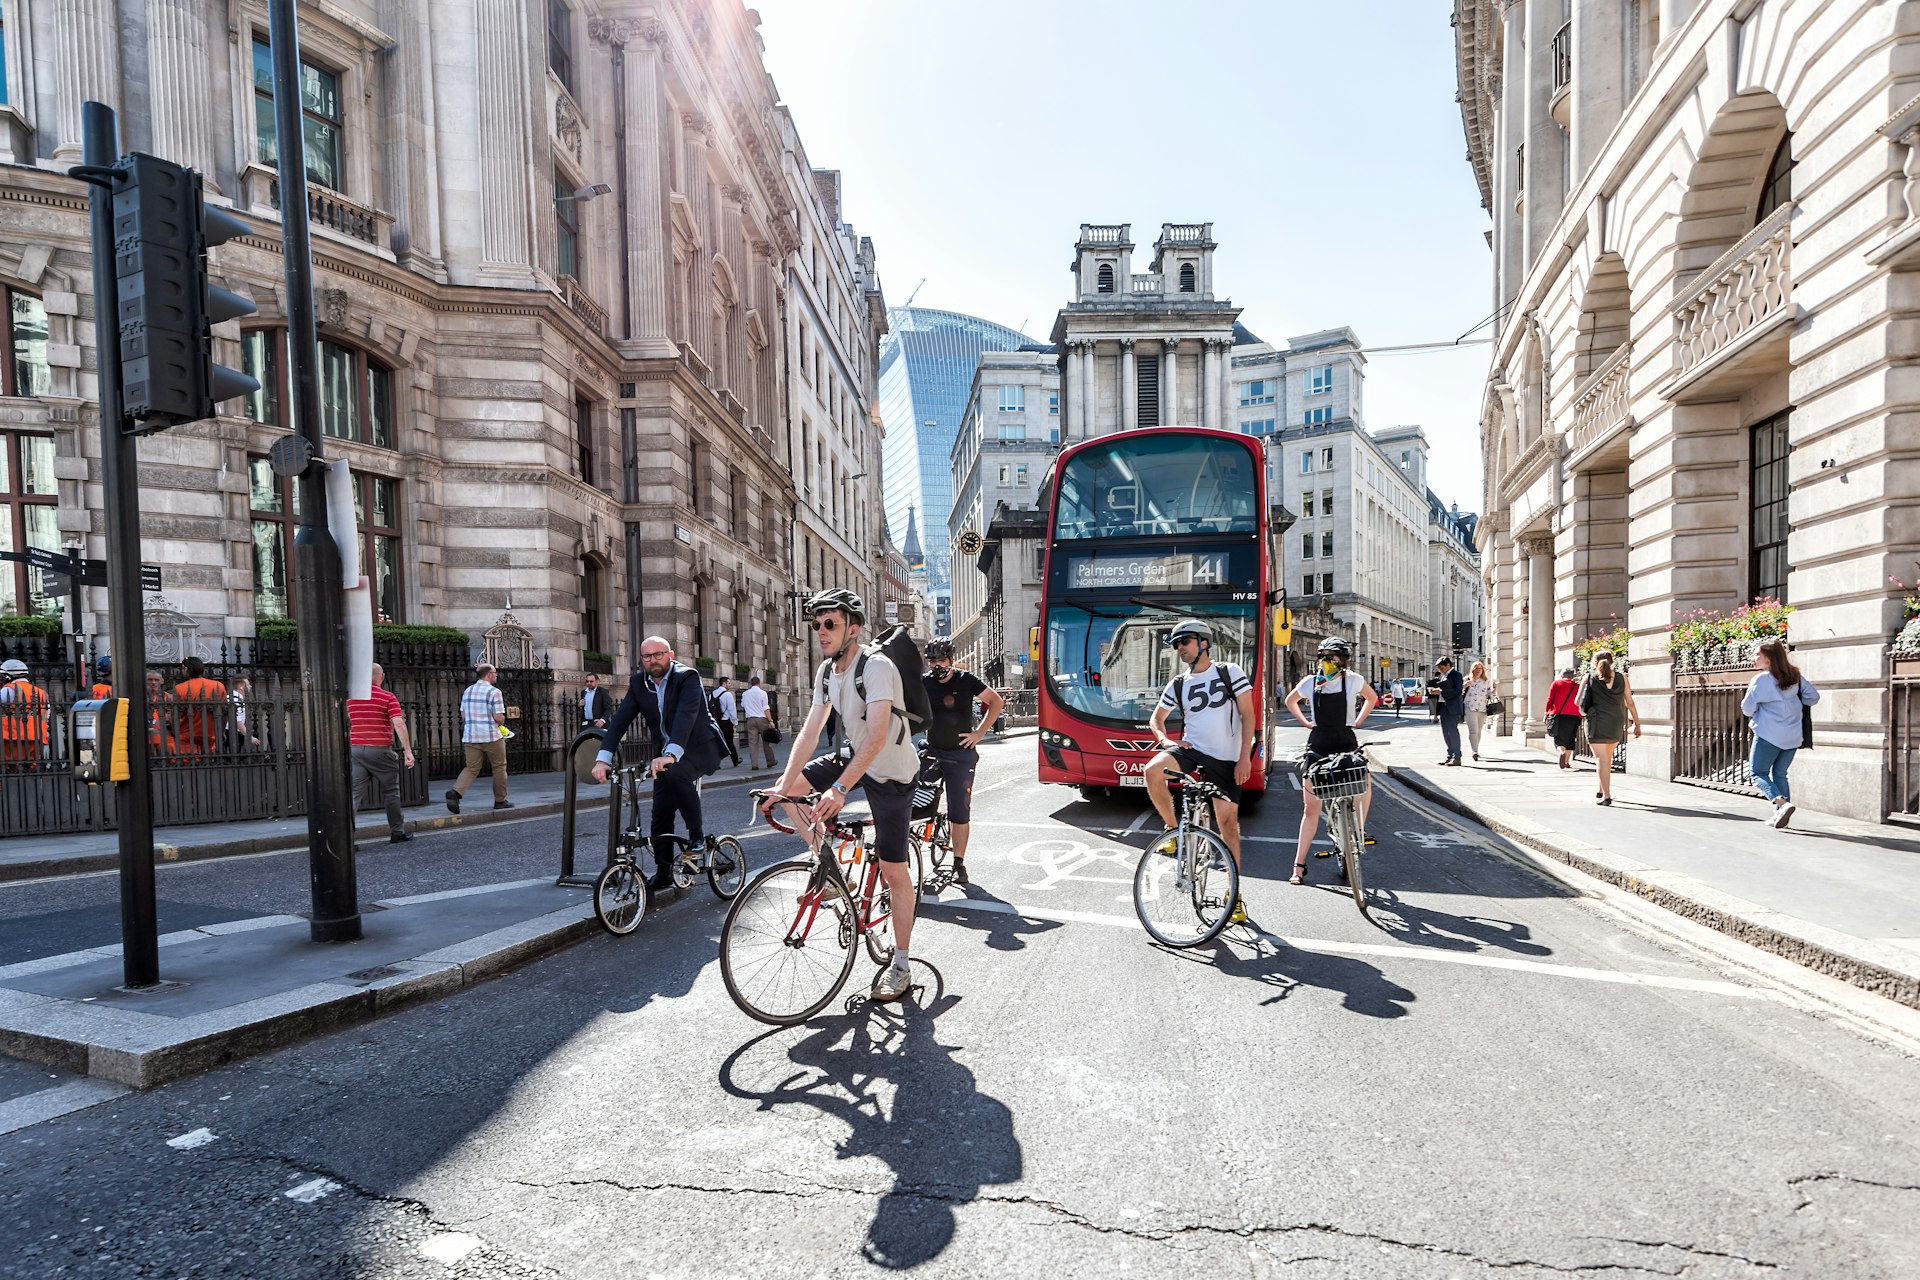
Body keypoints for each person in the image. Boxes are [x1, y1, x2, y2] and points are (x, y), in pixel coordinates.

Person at [767, 589, 921, 1003]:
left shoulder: (877, 666)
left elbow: (876, 737)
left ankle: (901, 964)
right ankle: (833, 872)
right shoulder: (825, 672)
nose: (821, 631)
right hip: (857, 758)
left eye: (829, 624)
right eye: (816, 625)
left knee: (893, 871)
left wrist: (838, 789)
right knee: (792, 793)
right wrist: (784, 782)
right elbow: (811, 731)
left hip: (890, 772)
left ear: (853, 629)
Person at [592, 636, 731, 892]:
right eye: (647, 656)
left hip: (697, 747)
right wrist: (603, 758)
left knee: (677, 773)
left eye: (658, 654)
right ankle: (664, 871)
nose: (653, 660)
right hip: (663, 757)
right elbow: (620, 720)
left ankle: (696, 837)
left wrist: (671, 753)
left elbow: (686, 717)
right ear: (641, 660)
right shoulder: (638, 683)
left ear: (670, 654)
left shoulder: (687, 677)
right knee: (660, 813)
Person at [1143, 619, 1255, 922]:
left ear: (1203, 642)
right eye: (1176, 644)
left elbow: (1248, 715)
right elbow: (1157, 719)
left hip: (1226, 759)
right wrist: (1165, 739)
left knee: (1227, 824)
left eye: (1185, 642)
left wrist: (1245, 758)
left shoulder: (1229, 673)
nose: (1179, 648)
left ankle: (1234, 895)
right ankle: (1172, 829)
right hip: (1192, 751)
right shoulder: (1178, 683)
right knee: (1152, 771)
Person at [1283, 636, 1381, 886]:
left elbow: (1372, 698)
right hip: (1319, 743)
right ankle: (1299, 865)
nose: (1326, 661)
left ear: (1343, 660)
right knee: (1310, 807)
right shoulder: (1310, 682)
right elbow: (1289, 701)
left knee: (1365, 783)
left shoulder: (1353, 680)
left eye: (1332, 657)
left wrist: (1358, 721)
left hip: (1345, 740)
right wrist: (1305, 723)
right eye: (1323, 656)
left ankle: (1357, 831)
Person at [920, 638, 1005, 886]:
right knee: (914, 801)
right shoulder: (925, 682)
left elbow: (997, 701)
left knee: (959, 811)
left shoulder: (966, 680)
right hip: (933, 751)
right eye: (932, 662)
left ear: (951, 660)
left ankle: (958, 862)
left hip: (960, 756)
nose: (937, 666)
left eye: (941, 661)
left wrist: (979, 733)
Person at [1742, 639, 1820, 829]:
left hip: (1768, 733)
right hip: (1793, 734)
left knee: (1757, 773)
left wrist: (1763, 709)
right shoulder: (1795, 676)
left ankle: (1782, 805)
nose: (1754, 658)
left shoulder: (1761, 680)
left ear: (1768, 658)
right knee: (1779, 773)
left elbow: (1746, 708)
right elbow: (1813, 697)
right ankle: (1780, 815)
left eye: (1757, 654)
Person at [348, 663, 417, 843]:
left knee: (353, 795)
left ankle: (346, 839)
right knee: (391, 792)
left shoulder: (351, 699)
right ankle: (397, 832)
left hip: (355, 750)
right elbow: (399, 724)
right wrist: (408, 751)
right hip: (380, 750)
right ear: (381, 677)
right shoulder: (387, 697)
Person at [447, 663, 509, 813]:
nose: (496, 675)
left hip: (471, 736)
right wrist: (502, 723)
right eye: (494, 672)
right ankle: (500, 801)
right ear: (488, 675)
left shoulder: (468, 691)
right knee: (499, 767)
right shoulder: (494, 692)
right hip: (491, 736)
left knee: (472, 768)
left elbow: (463, 715)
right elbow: (499, 717)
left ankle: (455, 792)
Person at [1581, 651, 1640, 805]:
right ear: (1612, 661)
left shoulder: (1589, 677)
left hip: (1596, 722)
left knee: (1601, 759)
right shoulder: (1622, 677)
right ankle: (1601, 789)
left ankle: (1607, 796)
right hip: (1616, 721)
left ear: (1595, 662)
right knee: (1607, 757)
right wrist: (1637, 724)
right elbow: (1630, 703)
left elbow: (1577, 701)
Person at [172, 656, 229, 761]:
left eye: (183, 668)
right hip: (210, 732)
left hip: (187, 733)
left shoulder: (179, 688)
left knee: (188, 766)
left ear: (187, 669)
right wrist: (221, 732)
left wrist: (174, 731)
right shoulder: (218, 686)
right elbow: (224, 711)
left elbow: (176, 714)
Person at [0, 658, 48, 765]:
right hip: (37, 736)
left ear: (8, 676)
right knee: (31, 768)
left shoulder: (9, 690)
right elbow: (46, 715)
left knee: (9, 768)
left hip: (13, 737)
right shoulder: (41, 692)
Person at [1545, 667, 1583, 769]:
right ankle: (1566, 762)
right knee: (1571, 737)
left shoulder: (1556, 684)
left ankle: (1561, 751)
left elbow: (1550, 699)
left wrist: (1547, 712)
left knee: (1559, 739)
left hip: (1559, 715)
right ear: (1573, 676)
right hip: (1575, 715)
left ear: (1562, 675)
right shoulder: (1577, 686)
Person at [1461, 660, 1498, 762]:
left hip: (1482, 709)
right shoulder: (1467, 680)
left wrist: (1495, 689)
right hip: (1470, 708)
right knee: (1473, 730)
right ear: (1472, 670)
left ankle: (1476, 749)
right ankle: (1475, 751)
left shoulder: (1486, 682)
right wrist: (1464, 685)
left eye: (1480, 668)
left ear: (1483, 670)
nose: (1477, 670)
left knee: (1478, 731)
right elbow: (1458, 692)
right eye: (1475, 668)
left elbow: (1490, 695)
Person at [1432, 657, 1465, 765]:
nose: (1440, 670)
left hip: (1452, 708)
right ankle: (1450, 755)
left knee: (1452, 732)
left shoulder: (1456, 675)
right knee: (1446, 733)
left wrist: (1440, 692)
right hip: (1444, 707)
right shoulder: (1444, 676)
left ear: (1447, 665)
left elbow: (1458, 690)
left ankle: (1457, 757)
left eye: (1441, 667)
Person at [741, 673, 776, 769]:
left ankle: (754, 764)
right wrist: (771, 720)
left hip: (750, 720)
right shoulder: (762, 693)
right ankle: (770, 761)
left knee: (752, 743)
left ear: (751, 684)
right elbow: (766, 708)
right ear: (759, 683)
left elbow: (743, 705)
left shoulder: (745, 694)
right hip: (762, 719)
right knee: (766, 740)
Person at [713, 678, 741, 767]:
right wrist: (734, 722)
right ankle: (735, 760)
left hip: (716, 722)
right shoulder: (727, 694)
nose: (730, 685)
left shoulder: (712, 694)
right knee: (729, 742)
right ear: (724, 683)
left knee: (717, 743)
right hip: (726, 722)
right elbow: (732, 710)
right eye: (729, 683)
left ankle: (717, 764)